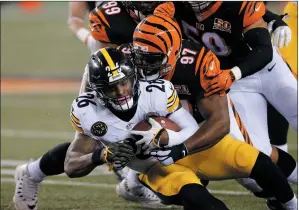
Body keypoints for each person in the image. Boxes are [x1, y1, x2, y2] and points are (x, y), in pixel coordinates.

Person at [125, 4, 297, 210]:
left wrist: (271, 18)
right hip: (230, 81)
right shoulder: (175, 6)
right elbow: (155, 20)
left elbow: (263, 51)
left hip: (261, 69)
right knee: (258, 153)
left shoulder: (238, 6)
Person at [65, 47, 230, 210]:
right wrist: (101, 155)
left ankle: (133, 179)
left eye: (124, 83)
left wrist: (168, 139)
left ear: (134, 77)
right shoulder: (88, 111)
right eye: (110, 88)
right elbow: (71, 166)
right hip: (153, 171)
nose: (121, 92)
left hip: (178, 153)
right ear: (98, 91)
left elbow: (192, 130)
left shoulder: (157, 91)